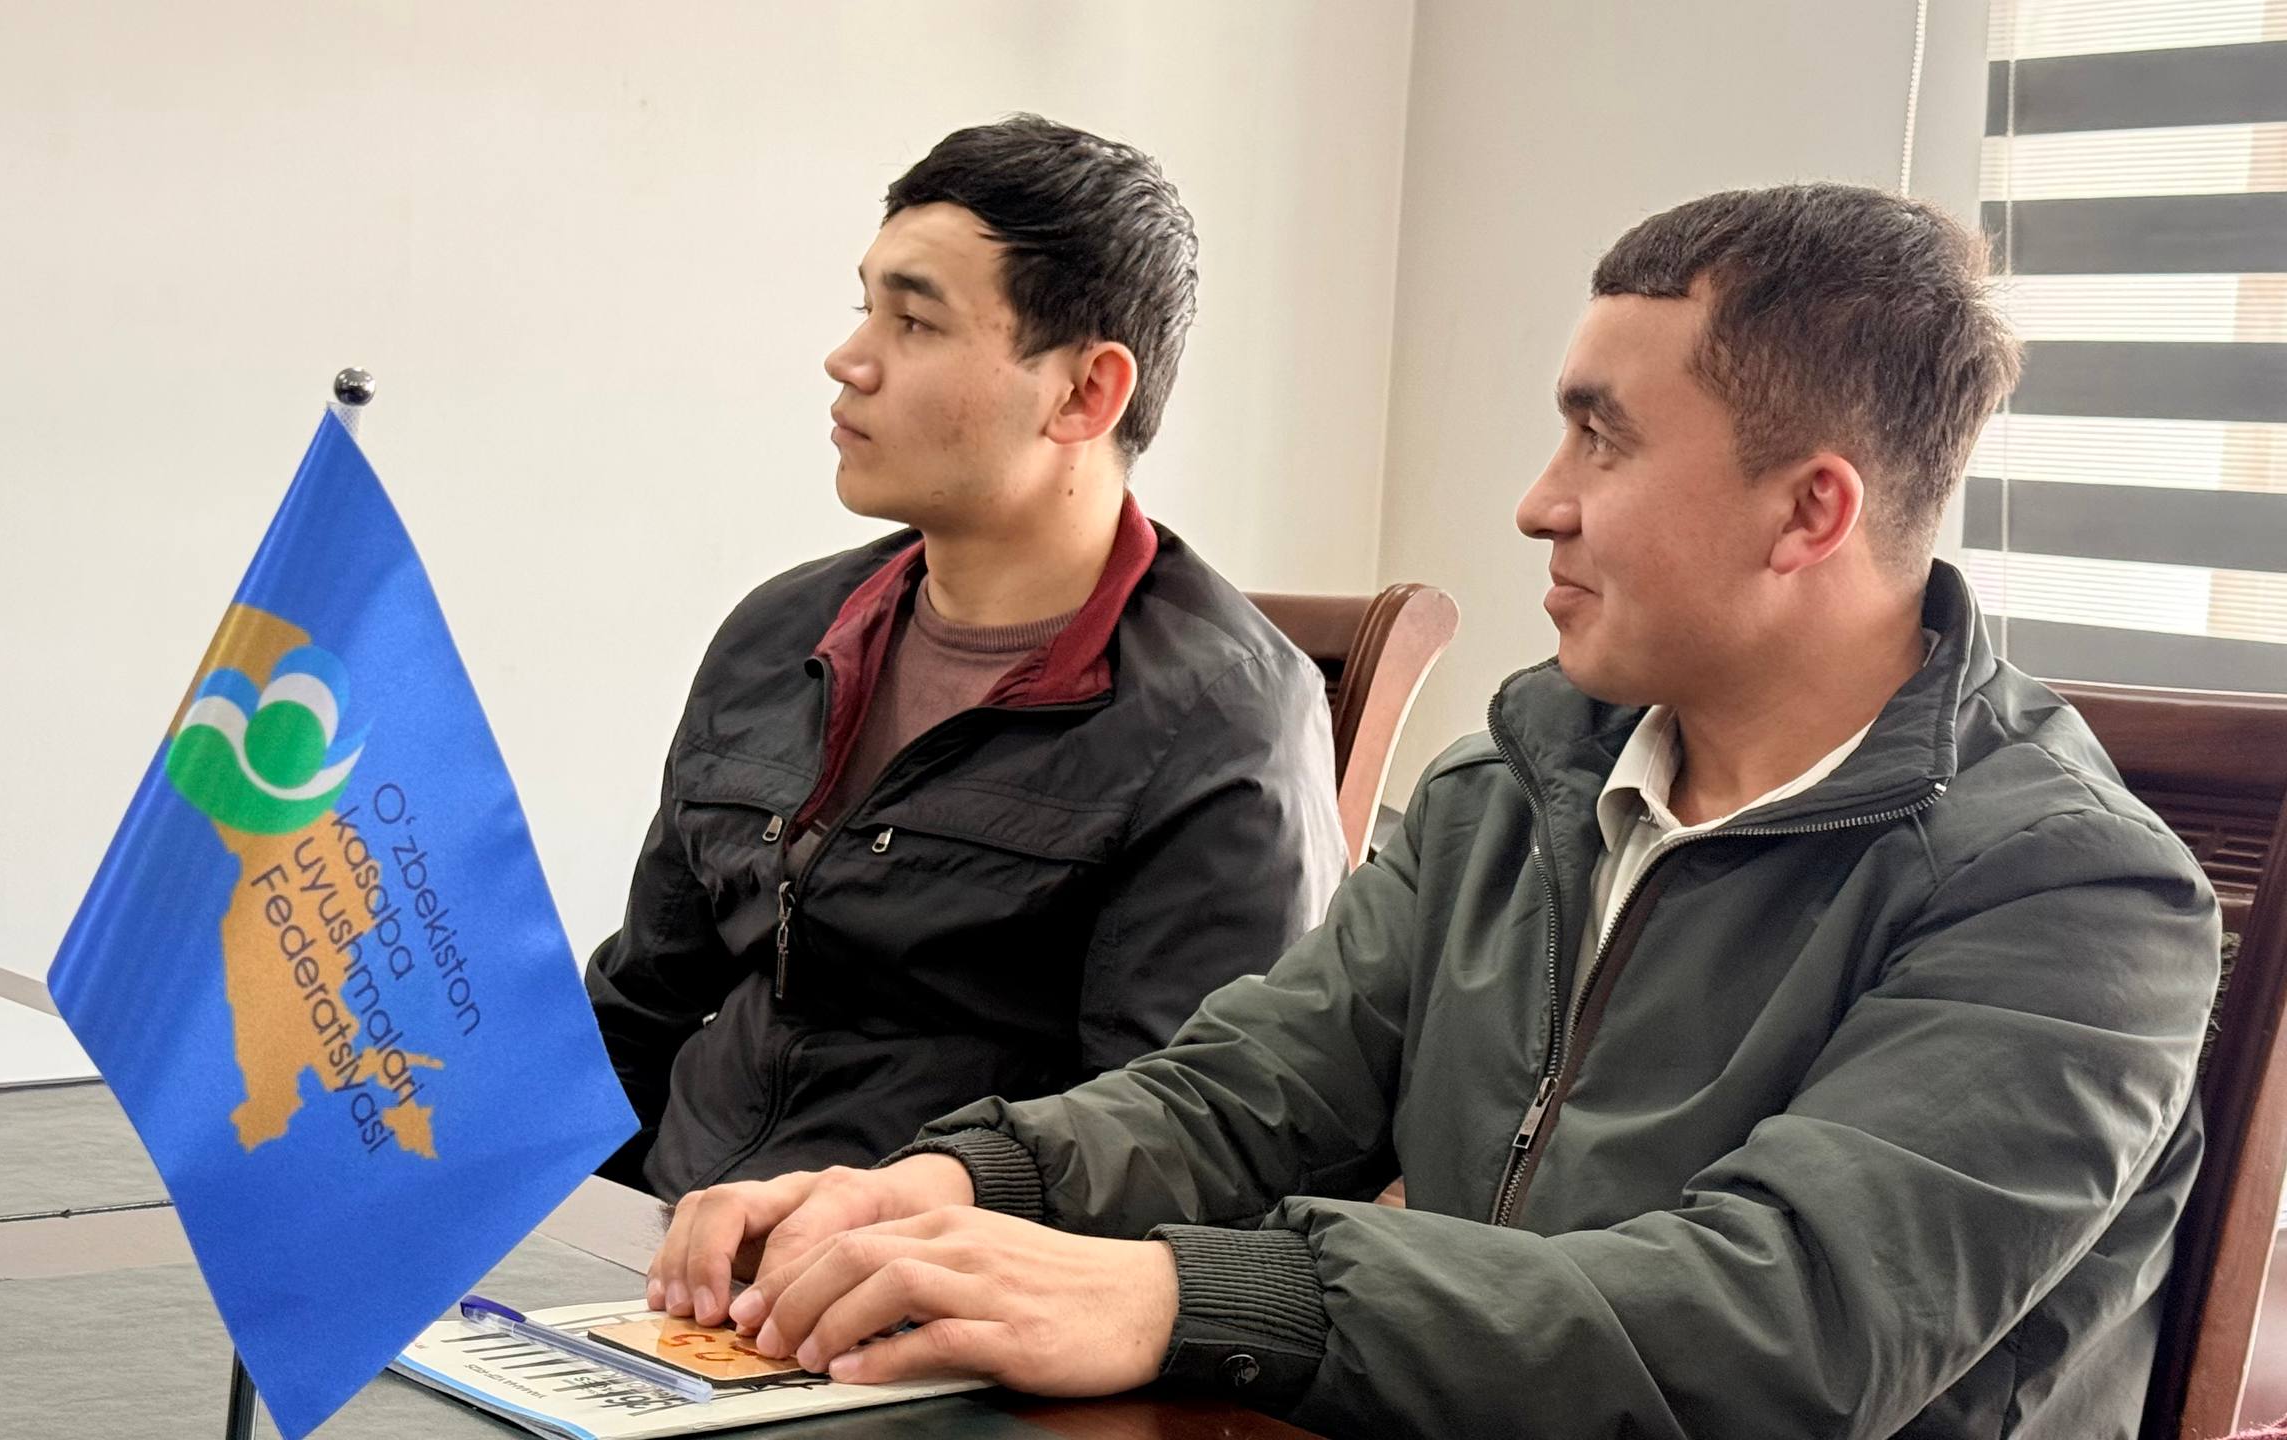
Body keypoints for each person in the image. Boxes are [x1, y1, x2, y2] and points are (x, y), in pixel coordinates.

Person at [642, 183, 2225, 1438]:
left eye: (1601, 437)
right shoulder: (1515, 784)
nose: (1539, 499)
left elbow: (1778, 1330)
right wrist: (952, 1186)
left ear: (1810, 511)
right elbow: (1244, 1092)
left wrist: (1180, 1298)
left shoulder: (2081, 901)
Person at [586, 115, 1346, 1206]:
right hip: (664, 1252)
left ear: (1085, 393)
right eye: (864, 307)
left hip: (914, 1285)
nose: (849, 359)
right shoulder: (778, 632)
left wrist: (859, 1242)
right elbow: (637, 1014)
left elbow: (1175, 1156)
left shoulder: (1221, 722)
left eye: (914, 321)